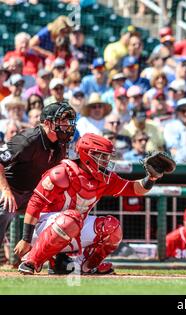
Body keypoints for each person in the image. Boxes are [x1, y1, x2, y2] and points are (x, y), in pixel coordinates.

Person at [14, 133, 176, 274]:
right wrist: (26, 239)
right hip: (42, 228)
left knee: (113, 227)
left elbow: (136, 189)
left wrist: (151, 178)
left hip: (73, 226)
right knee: (71, 218)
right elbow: (34, 204)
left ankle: (87, 266)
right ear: (87, 154)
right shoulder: (61, 172)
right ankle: (32, 261)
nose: (106, 161)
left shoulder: (104, 178)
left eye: (107, 157)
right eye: (102, 156)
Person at [0, 101, 76, 262]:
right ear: (47, 123)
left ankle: (57, 259)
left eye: (68, 121)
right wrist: (6, 191)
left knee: (62, 212)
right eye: (62, 121)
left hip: (34, 193)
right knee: (5, 208)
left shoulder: (61, 144)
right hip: (10, 187)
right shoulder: (27, 139)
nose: (67, 125)